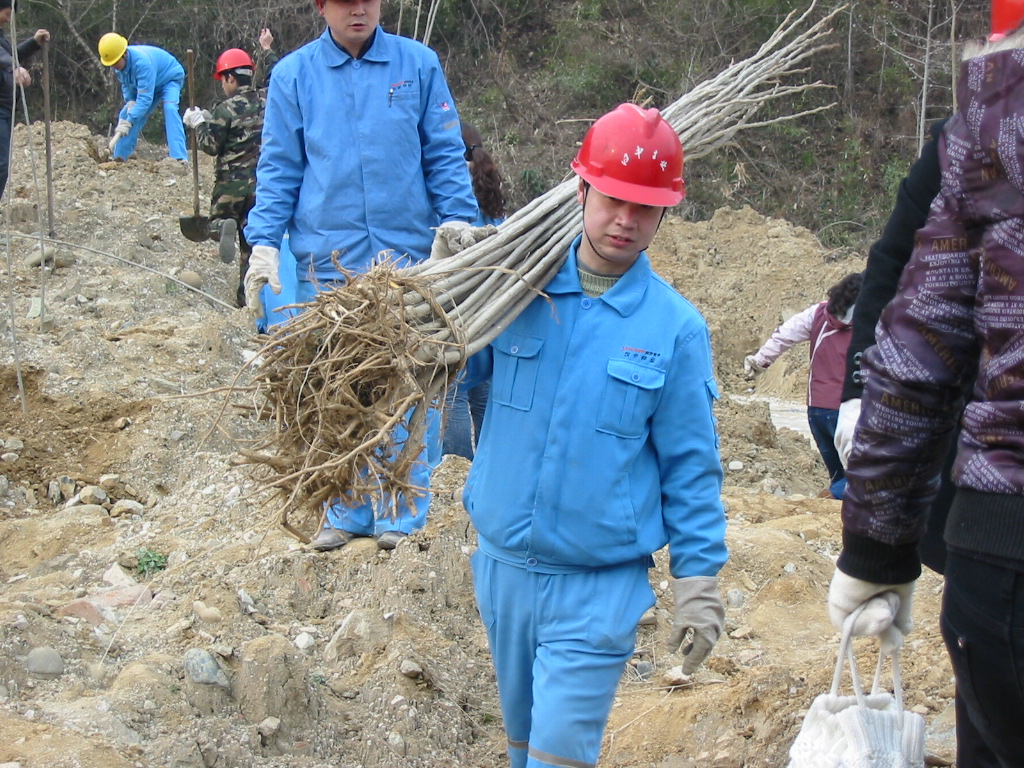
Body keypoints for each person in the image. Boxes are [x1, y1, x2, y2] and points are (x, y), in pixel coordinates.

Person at [461, 103, 728, 768]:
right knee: (521, 748)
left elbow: (691, 468)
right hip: (502, 571)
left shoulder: (675, 329)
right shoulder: (516, 292)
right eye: (612, 200)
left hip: (598, 586)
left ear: (665, 214)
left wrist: (699, 580)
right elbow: (451, 371)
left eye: (645, 208)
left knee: (558, 757)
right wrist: (445, 298)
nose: (625, 222)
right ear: (581, 190)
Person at [828, 7, 1024, 765]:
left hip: (1003, 557)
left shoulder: (994, 127)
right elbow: (892, 276)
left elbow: (923, 337)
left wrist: (877, 553)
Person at [243, 0, 478, 551]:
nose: (358, 9)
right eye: (344, 0)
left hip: (406, 261)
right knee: (336, 384)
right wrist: (262, 243)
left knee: (407, 382)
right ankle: (343, 508)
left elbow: (444, 153)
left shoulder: (417, 64)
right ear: (322, 6)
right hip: (330, 262)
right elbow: (280, 165)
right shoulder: (294, 75)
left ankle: (400, 509)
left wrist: (460, 223)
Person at [744, 272, 862, 499]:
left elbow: (784, 335)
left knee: (840, 474)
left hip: (816, 409)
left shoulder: (818, 313)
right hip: (851, 410)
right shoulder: (871, 321)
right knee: (862, 475)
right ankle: (831, 500)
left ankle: (833, 506)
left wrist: (760, 361)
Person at [441, 121, 507, 459]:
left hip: (455, 319)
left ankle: (454, 472)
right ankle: (484, 471)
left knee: (451, 396)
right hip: (490, 320)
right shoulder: (494, 207)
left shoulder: (452, 199)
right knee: (481, 395)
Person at [182, 47, 266, 307]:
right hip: (262, 184)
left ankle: (221, 227)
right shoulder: (266, 101)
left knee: (217, 222)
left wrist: (198, 124)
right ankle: (247, 297)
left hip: (231, 184)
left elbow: (211, 145)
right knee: (251, 246)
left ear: (230, 78)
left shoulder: (225, 109)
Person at [98, 32, 187, 163]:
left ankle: (179, 157)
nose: (114, 66)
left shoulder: (142, 64)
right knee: (126, 113)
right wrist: (130, 102)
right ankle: (119, 157)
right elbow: (126, 86)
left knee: (170, 108)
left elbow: (145, 100)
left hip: (169, 78)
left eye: (116, 62)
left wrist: (131, 119)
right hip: (150, 83)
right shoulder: (118, 66)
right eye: (112, 63)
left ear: (124, 54)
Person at [0, 2, 48, 200]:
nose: (9, 18)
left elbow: (9, 54)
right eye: (7, 13)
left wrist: (34, 43)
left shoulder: (1, 36)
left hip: (5, 109)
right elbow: (3, 57)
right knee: (0, 165)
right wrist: (14, 67)